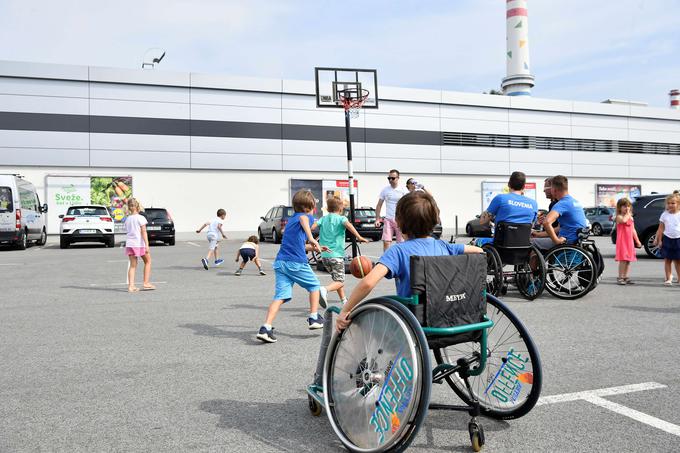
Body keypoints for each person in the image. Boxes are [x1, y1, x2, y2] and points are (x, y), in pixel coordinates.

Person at [336, 191, 483, 331]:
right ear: (434, 220)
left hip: (414, 321)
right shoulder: (444, 246)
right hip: (448, 317)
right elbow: (480, 252)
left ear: (399, 222)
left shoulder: (398, 251)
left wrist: (346, 310)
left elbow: (368, 282)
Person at [256, 190, 329, 343]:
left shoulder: (290, 222)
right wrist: (311, 237)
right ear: (310, 206)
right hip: (296, 263)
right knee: (315, 286)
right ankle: (314, 318)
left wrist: (316, 247)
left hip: (281, 263)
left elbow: (300, 245)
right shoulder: (305, 217)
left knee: (280, 297)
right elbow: (304, 218)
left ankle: (266, 328)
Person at [313, 196, 369, 306]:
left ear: (328, 209)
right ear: (340, 209)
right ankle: (325, 289)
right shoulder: (342, 218)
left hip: (324, 256)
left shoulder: (323, 219)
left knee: (336, 279)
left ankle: (344, 300)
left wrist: (310, 239)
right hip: (336, 256)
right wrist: (358, 236)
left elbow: (312, 227)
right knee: (340, 281)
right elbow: (349, 225)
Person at [477, 171, 537, 245]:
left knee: (477, 241)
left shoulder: (500, 198)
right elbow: (533, 224)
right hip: (524, 244)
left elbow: (482, 221)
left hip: (501, 243)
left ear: (508, 184)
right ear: (524, 187)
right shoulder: (533, 203)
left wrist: (486, 212)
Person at [531, 175, 588, 250]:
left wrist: (556, 240)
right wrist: (538, 234)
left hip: (566, 242)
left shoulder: (562, 204)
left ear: (554, 190)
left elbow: (546, 222)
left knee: (530, 242)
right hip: (576, 240)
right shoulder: (575, 202)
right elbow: (559, 228)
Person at [124, 198, 154, 292]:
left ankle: (131, 286)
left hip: (130, 244)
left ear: (129, 207)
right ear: (137, 206)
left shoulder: (127, 219)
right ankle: (146, 283)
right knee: (148, 261)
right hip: (139, 244)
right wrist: (147, 245)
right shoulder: (141, 218)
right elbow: (144, 232)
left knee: (133, 265)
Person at [375, 169, 408, 251]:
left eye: (392, 178)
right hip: (388, 220)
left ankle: (401, 261)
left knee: (401, 243)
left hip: (400, 220)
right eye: (389, 178)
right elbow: (379, 205)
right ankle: (386, 262)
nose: (390, 180)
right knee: (386, 242)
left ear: (398, 178)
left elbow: (409, 205)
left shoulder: (403, 190)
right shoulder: (385, 190)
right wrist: (377, 219)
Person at [654, 193, 680, 286]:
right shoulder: (664, 215)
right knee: (667, 260)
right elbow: (661, 228)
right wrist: (659, 240)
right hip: (667, 239)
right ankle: (668, 278)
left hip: (678, 239)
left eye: (673, 203)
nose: (670, 205)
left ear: (678, 204)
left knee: (678, 260)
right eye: (668, 203)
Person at [614, 198, 642, 285]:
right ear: (619, 208)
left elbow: (633, 230)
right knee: (623, 260)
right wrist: (628, 214)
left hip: (629, 242)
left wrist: (637, 241)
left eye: (628, 206)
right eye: (624, 206)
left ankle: (625, 276)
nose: (627, 208)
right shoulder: (619, 217)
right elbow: (624, 221)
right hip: (622, 242)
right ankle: (620, 277)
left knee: (628, 260)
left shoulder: (630, 218)